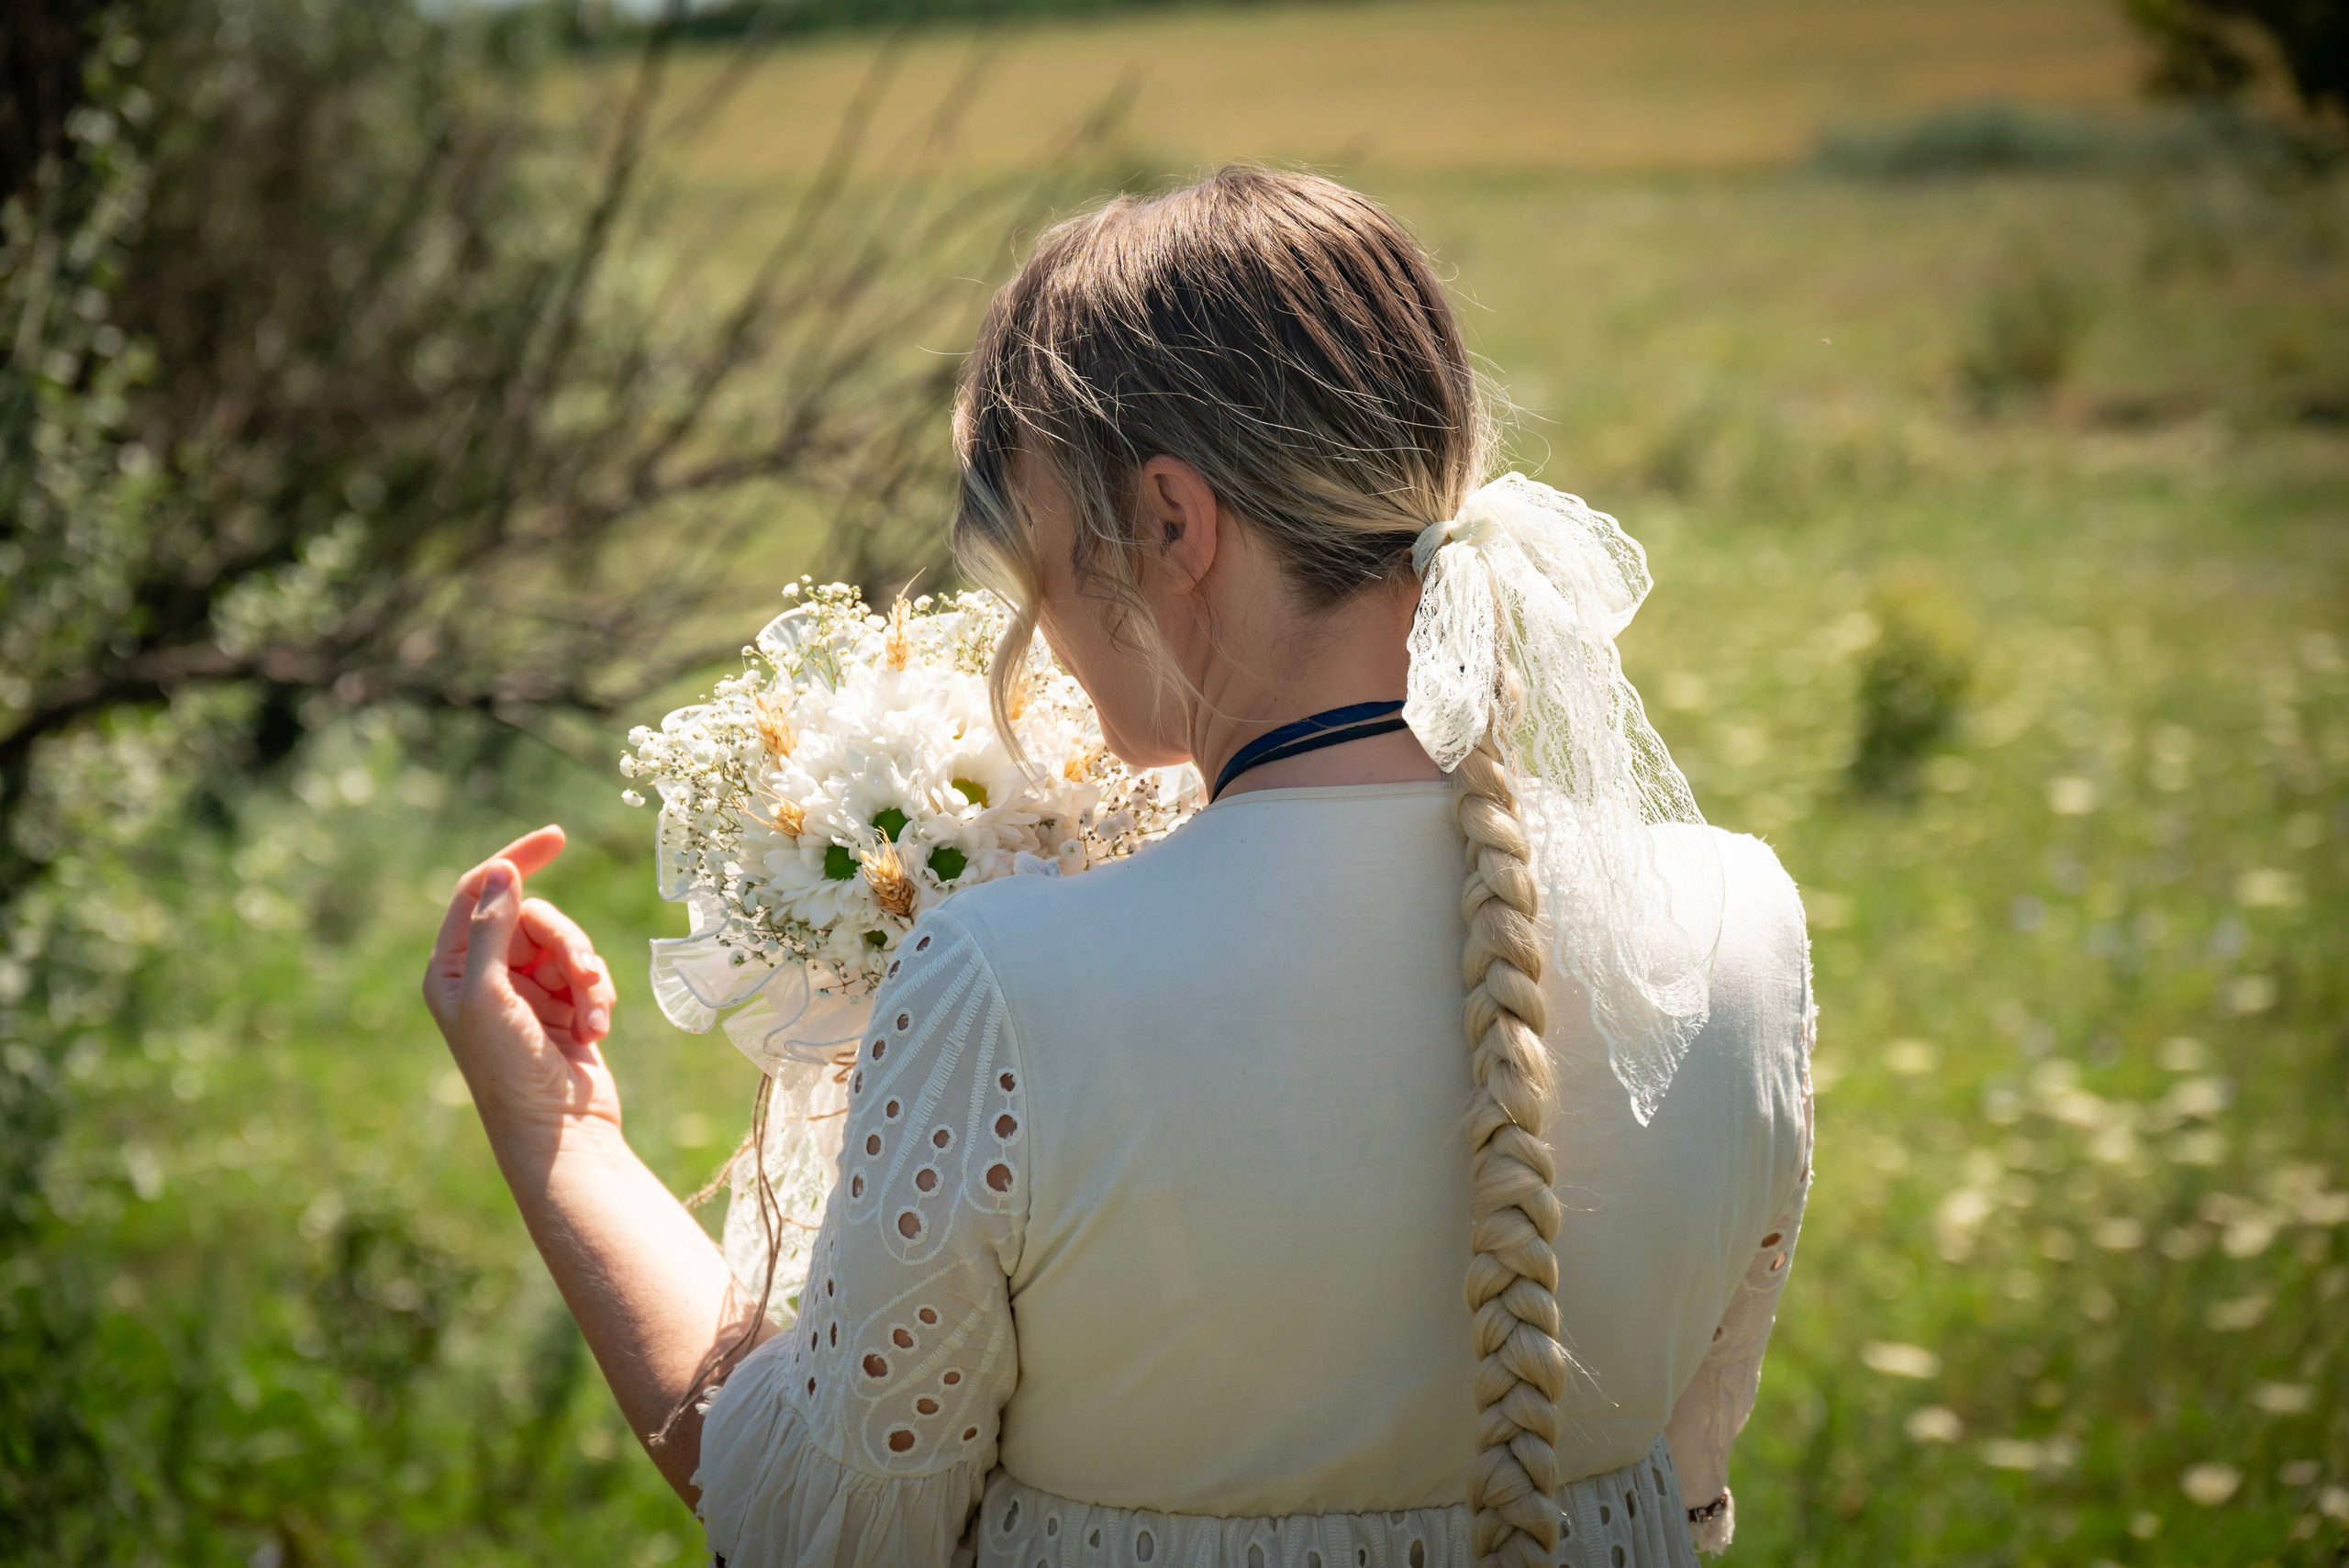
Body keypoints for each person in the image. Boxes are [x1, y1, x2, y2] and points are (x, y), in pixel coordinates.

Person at [423, 165, 1814, 1568]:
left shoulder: (1005, 989)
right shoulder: (1737, 926)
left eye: (1031, 546)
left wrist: (564, 1127)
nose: (1033, 625)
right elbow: (1684, 1495)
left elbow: (810, 1531)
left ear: (1170, 521)